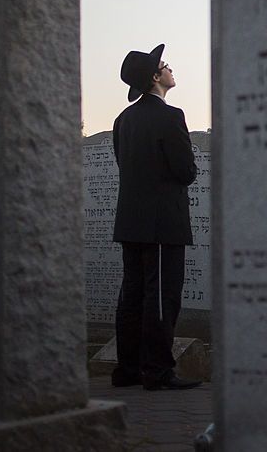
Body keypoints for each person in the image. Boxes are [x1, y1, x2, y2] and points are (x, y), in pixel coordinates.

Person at [111, 43, 201, 390]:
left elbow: (124, 165)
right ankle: (158, 372)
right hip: (163, 222)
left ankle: (129, 370)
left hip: (131, 221)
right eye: (165, 65)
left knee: (132, 294)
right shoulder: (170, 116)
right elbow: (185, 171)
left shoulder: (123, 120)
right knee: (162, 296)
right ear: (154, 77)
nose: (170, 69)